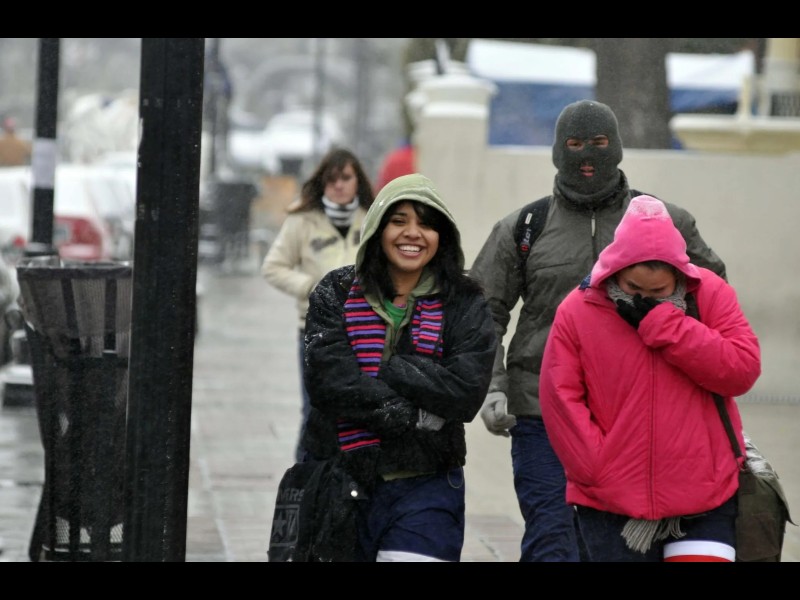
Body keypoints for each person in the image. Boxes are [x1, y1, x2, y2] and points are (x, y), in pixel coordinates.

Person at [469, 99, 728, 562]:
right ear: (557, 150)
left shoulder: (666, 224)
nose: (587, 156)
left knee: (613, 548)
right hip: (542, 414)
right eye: (574, 144)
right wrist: (492, 385)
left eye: (599, 142)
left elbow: (713, 299)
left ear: (617, 147)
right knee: (552, 540)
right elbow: (480, 309)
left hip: (638, 418)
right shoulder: (523, 229)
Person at [539, 194, 761, 561]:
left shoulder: (710, 293)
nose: (644, 298)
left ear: (679, 275)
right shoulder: (578, 308)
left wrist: (667, 326)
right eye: (633, 288)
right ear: (615, 270)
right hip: (611, 500)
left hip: (706, 492)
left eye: (658, 291)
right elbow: (560, 396)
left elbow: (741, 371)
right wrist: (596, 467)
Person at [301, 173, 497, 561]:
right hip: (341, 483)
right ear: (377, 228)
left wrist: (393, 368)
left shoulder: (465, 302)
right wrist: (414, 413)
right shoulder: (335, 292)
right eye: (399, 221)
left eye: (426, 223)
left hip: (426, 485)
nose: (413, 233)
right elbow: (329, 383)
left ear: (442, 236)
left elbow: (465, 391)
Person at [261, 147, 375, 463]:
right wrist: (312, 288)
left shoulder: (372, 219)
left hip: (363, 330)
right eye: (331, 178)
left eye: (345, 178)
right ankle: (305, 477)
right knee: (314, 409)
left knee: (358, 408)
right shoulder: (302, 221)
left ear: (357, 181)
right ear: (322, 182)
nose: (339, 185)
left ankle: (349, 474)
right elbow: (273, 267)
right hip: (315, 330)